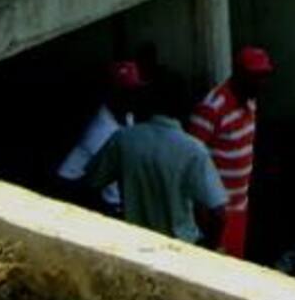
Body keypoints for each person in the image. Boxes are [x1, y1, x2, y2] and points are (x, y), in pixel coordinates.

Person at [86, 68, 227, 249]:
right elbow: (219, 214)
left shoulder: (124, 139)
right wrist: (209, 249)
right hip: (180, 248)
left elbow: (91, 183)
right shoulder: (193, 150)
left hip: (135, 245)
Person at [186, 46, 275, 259]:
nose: (262, 83)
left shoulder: (250, 100)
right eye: (256, 76)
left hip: (239, 206)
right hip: (215, 212)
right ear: (239, 74)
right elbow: (189, 158)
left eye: (264, 76)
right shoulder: (212, 108)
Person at [55, 60, 147, 215]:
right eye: (127, 92)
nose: (134, 96)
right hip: (71, 186)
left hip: (97, 180)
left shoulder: (126, 113)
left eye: (135, 90)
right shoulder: (101, 131)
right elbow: (112, 185)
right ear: (113, 92)